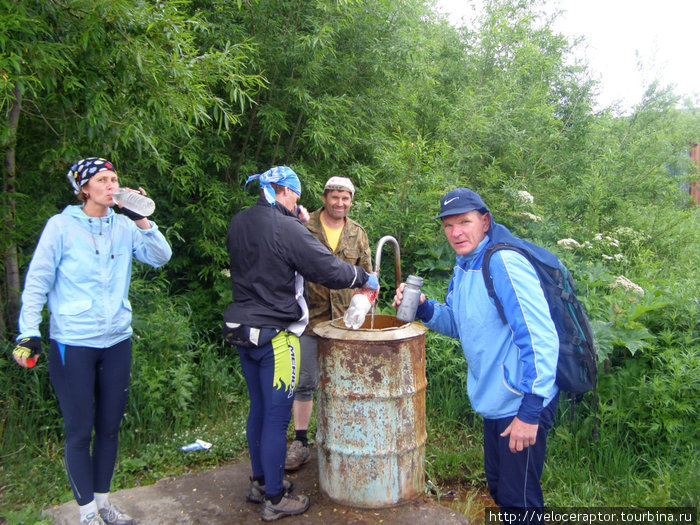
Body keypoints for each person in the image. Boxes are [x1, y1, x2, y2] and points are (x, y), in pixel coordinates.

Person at [12, 157, 172, 525]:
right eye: (102, 179)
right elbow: (37, 282)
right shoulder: (61, 227)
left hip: (117, 339)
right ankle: (85, 514)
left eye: (114, 178)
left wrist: (139, 218)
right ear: (84, 188)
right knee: (80, 429)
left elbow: (161, 257)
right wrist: (28, 331)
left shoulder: (123, 225)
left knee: (111, 426)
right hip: (74, 341)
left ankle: (103, 504)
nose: (111, 185)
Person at [224, 166, 378, 522]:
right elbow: (326, 268)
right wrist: (363, 277)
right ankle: (275, 498)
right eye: (295, 194)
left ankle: (260, 483)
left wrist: (294, 221)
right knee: (277, 418)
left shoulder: (240, 222)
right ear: (283, 191)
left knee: (258, 409)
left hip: (241, 328)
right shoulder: (286, 226)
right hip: (278, 334)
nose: (298, 200)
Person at [392, 187, 559, 516]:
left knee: (519, 503)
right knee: (500, 490)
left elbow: (540, 337)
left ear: (485, 221)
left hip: (520, 402)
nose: (455, 232)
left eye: (464, 222)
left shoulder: (503, 263)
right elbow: (459, 324)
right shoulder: (464, 265)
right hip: (494, 402)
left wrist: (530, 410)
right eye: (448, 225)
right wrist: (424, 308)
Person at [284, 176, 372, 471]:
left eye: (345, 198)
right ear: (324, 198)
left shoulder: (358, 233)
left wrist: (364, 302)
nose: (340, 203)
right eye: (335, 197)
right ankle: (300, 442)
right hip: (309, 318)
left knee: (349, 382)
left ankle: (346, 437)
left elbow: (369, 279)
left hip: (347, 322)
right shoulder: (302, 227)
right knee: (305, 382)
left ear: (351, 201)